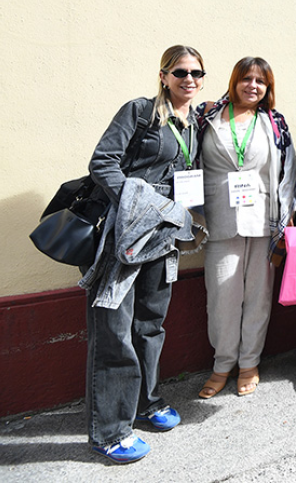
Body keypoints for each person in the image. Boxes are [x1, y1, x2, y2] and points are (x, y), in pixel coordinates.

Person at [82, 45, 206, 463]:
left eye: (197, 73)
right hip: (119, 239)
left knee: (150, 326)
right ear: (164, 75)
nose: (189, 79)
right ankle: (110, 432)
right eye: (181, 72)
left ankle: (145, 403)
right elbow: (103, 163)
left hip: (160, 240)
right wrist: (138, 204)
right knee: (114, 332)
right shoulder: (140, 111)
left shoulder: (193, 124)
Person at [195, 57, 296, 398]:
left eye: (260, 81)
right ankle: (222, 363)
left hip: (263, 219)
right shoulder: (206, 117)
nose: (252, 85)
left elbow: (289, 170)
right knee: (222, 296)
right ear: (234, 81)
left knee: (257, 297)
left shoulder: (274, 122)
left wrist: (286, 217)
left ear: (268, 88)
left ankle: (249, 363)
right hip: (218, 219)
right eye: (246, 78)